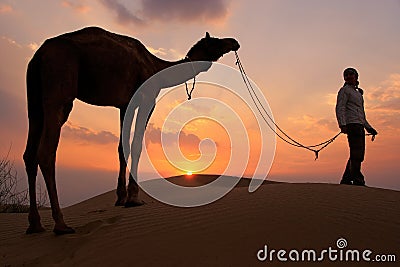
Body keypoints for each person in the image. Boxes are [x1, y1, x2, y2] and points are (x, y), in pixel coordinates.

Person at [335, 67, 377, 186]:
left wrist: (369, 128)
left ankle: (346, 180)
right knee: (357, 153)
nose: (348, 76)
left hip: (359, 126)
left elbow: (361, 114)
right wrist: (342, 124)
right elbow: (340, 107)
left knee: (357, 154)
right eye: (346, 75)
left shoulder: (358, 94)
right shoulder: (344, 91)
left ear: (356, 76)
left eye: (350, 74)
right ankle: (358, 180)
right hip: (351, 125)